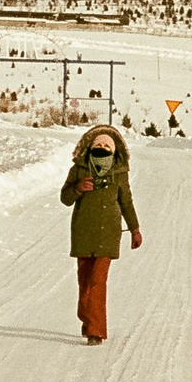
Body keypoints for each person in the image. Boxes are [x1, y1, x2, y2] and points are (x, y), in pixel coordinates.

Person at [60, 123, 141, 344]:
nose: (102, 148)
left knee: (97, 281)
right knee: (85, 282)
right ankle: (88, 318)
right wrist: (78, 188)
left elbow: (126, 202)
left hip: (108, 233)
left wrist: (135, 229)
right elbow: (65, 198)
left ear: (114, 150)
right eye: (98, 144)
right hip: (83, 231)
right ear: (90, 146)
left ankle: (95, 331)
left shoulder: (120, 173)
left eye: (107, 146)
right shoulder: (79, 169)